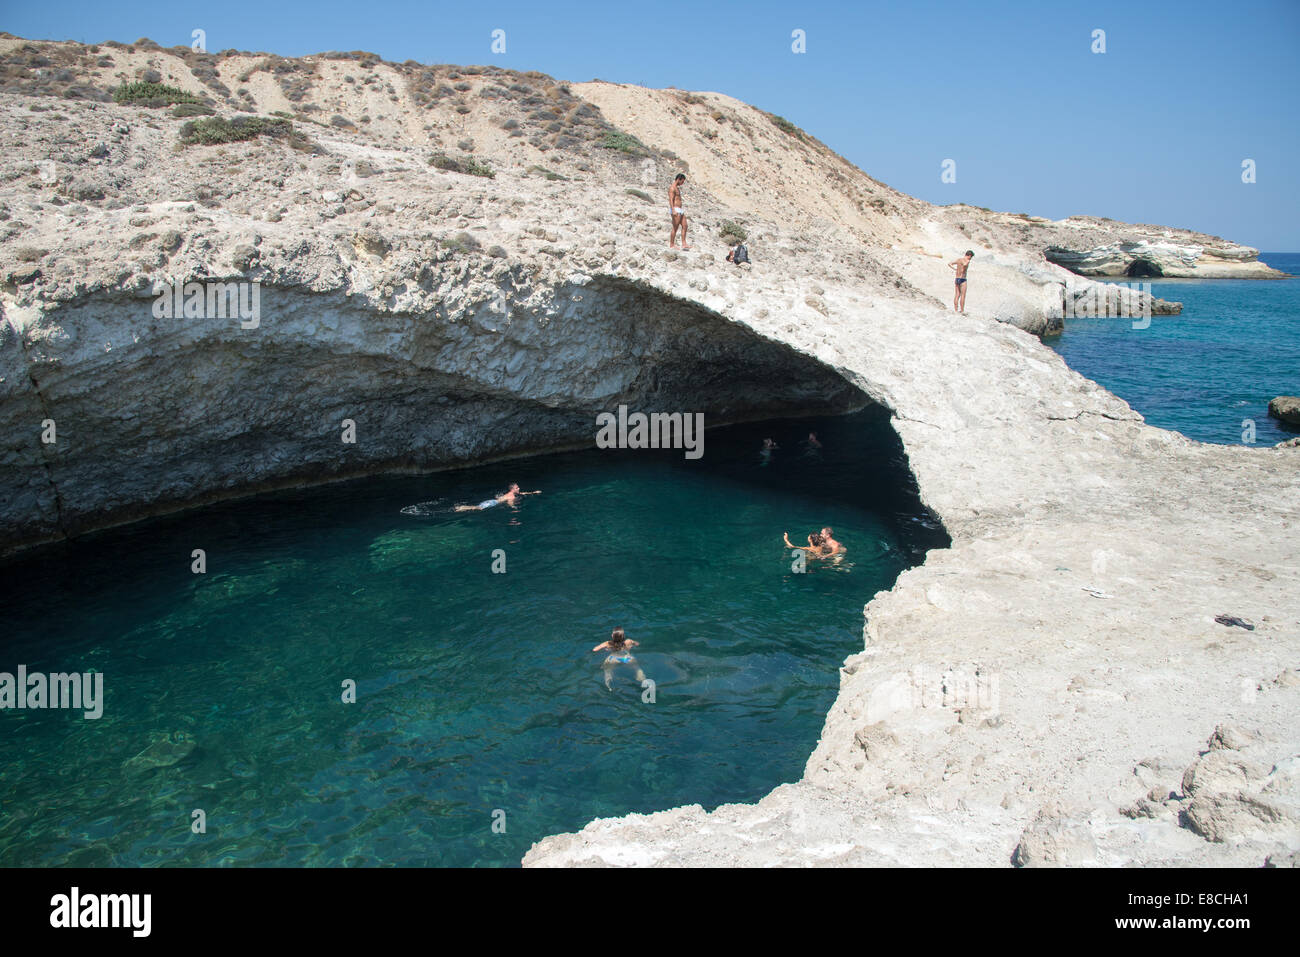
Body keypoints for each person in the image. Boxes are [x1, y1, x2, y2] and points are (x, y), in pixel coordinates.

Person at [453, 482, 540, 512]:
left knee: (478, 507)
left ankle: (462, 507)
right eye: (517, 487)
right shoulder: (511, 496)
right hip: (492, 503)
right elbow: (510, 502)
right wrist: (514, 508)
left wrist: (533, 492)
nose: (519, 488)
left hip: (492, 501)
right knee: (478, 508)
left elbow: (522, 493)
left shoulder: (512, 493)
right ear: (513, 489)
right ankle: (462, 507)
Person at [668, 173, 690, 249]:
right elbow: (671, 200)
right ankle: (672, 244)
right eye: (682, 181)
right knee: (675, 227)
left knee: (685, 225)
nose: (682, 183)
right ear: (678, 179)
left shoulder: (677, 188)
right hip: (675, 209)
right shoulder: (672, 188)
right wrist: (673, 210)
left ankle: (684, 243)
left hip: (680, 210)